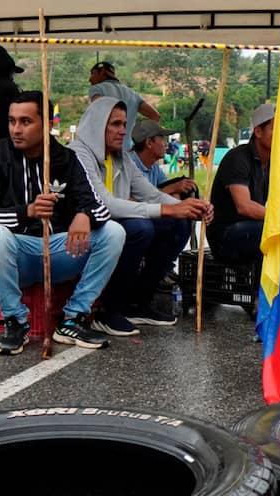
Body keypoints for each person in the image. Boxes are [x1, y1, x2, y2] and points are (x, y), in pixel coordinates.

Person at [0, 91, 124, 355]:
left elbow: (99, 206)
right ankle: (15, 322)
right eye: (12, 121)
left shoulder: (67, 158)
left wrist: (85, 215)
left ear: (47, 124)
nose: (16, 129)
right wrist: (28, 211)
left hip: (59, 251)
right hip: (16, 254)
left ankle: (73, 319)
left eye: (25, 122)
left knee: (113, 232)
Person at [69, 97, 212, 337]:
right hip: (86, 228)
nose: (123, 131)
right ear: (97, 124)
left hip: (116, 224)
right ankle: (109, 310)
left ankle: (138, 302)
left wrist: (189, 207)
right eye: (115, 124)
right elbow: (105, 203)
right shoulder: (78, 153)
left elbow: (150, 194)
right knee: (139, 228)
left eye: (124, 124)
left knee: (178, 223)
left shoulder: (121, 157)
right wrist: (169, 209)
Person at [206, 104, 274, 265]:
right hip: (226, 234)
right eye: (275, 128)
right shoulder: (238, 158)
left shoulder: (273, 162)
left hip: (251, 227)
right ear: (258, 132)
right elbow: (244, 206)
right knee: (270, 232)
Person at [88, 61, 160, 151]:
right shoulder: (133, 94)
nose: (90, 79)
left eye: (93, 74)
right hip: (126, 152)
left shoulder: (97, 89)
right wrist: (139, 143)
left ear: (102, 72)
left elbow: (99, 107)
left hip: (103, 151)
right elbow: (155, 116)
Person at [130, 119, 198, 199]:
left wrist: (175, 189)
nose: (166, 144)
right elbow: (135, 202)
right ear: (149, 143)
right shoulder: (128, 166)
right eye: (162, 139)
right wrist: (173, 188)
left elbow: (165, 187)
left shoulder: (153, 166)